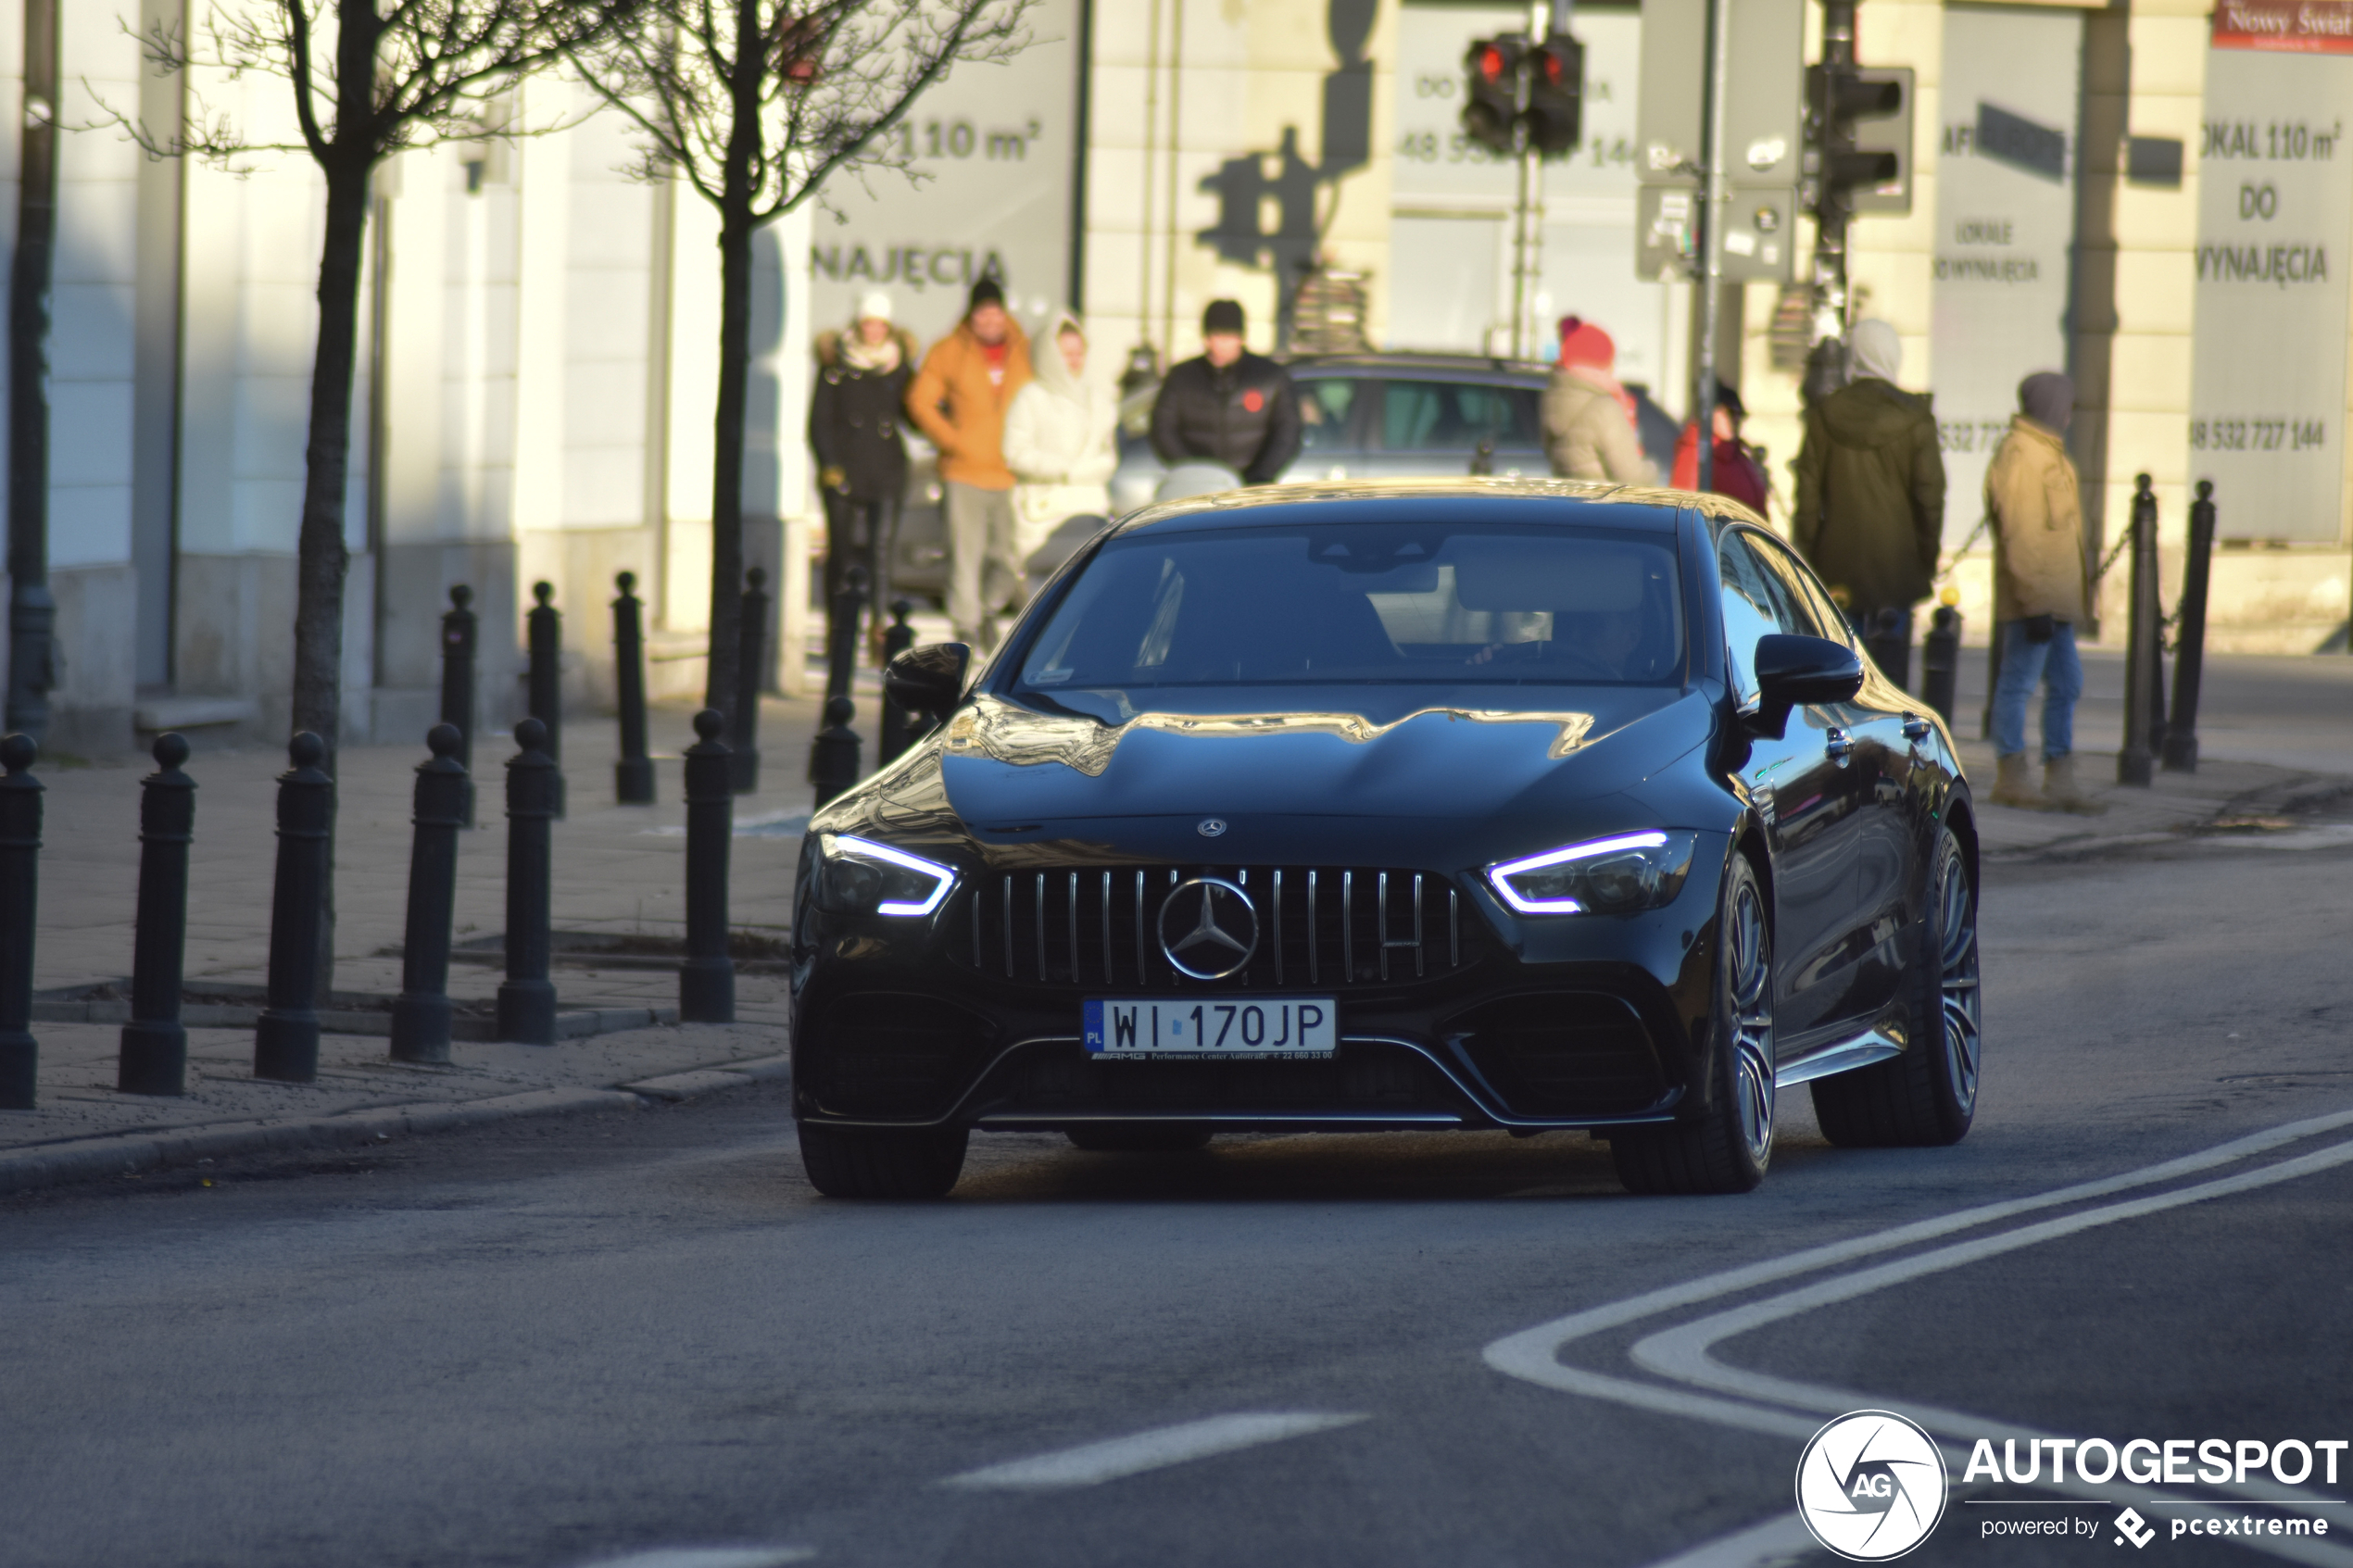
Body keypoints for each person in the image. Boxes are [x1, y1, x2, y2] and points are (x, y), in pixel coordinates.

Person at [1793, 320, 1945, 684]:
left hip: (1837, 561)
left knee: (1840, 672)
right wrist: (1927, 557)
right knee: (1891, 674)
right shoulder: (1916, 418)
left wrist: (1809, 555)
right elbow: (1930, 497)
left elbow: (1808, 496)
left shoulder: (1825, 414)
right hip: (1898, 562)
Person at [1985, 371, 2100, 813]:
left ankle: (2060, 775)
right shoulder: (2022, 456)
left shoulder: (2048, 453)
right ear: (2053, 407)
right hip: (2035, 602)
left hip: (2055, 602)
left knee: (2067, 683)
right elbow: (2020, 536)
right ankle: (2011, 774)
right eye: (2067, 405)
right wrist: (2033, 603)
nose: (2070, 415)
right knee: (2018, 684)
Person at [907, 276, 1033, 647]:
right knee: (965, 555)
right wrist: (952, 441)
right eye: (982, 314)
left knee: (1008, 556)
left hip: (1011, 472)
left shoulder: (1025, 350)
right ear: (972, 314)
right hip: (964, 472)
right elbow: (920, 401)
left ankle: (990, 608)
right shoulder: (948, 350)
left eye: (995, 313)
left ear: (1004, 312)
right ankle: (966, 625)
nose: (989, 321)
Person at [809, 290, 917, 656]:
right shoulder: (835, 365)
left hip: (887, 470)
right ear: (858, 323)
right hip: (844, 472)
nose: (873, 330)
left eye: (880, 323)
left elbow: (915, 412)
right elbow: (819, 421)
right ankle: (838, 630)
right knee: (840, 553)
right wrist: (830, 465)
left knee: (881, 553)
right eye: (868, 322)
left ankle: (879, 632)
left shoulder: (900, 365)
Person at [1002, 309, 1118, 584]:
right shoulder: (1030, 398)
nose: (1075, 361)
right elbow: (1015, 453)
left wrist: (1092, 471)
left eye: (1079, 353)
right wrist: (1064, 471)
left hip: (1089, 509)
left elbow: (1108, 453)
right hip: (1043, 512)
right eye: (1066, 354)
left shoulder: (1099, 400)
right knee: (1043, 592)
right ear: (1049, 355)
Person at [1148, 299, 1302, 484]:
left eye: (1228, 336)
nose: (1221, 344)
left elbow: (1287, 432)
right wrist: (1191, 472)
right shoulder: (1182, 378)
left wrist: (1260, 476)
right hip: (1197, 488)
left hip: (1253, 490)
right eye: (1215, 335)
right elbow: (1162, 429)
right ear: (1206, 338)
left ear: (1241, 338)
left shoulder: (1269, 377)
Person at [1541, 316, 1656, 484]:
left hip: (1570, 506)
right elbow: (1632, 478)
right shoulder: (1605, 409)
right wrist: (1652, 469)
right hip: (1605, 507)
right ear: (1603, 363)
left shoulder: (1551, 399)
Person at [1669, 381, 1770, 515]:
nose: (1736, 420)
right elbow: (1683, 510)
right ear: (1710, 413)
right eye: (1730, 413)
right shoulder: (1695, 453)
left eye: (1740, 415)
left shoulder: (1738, 454)